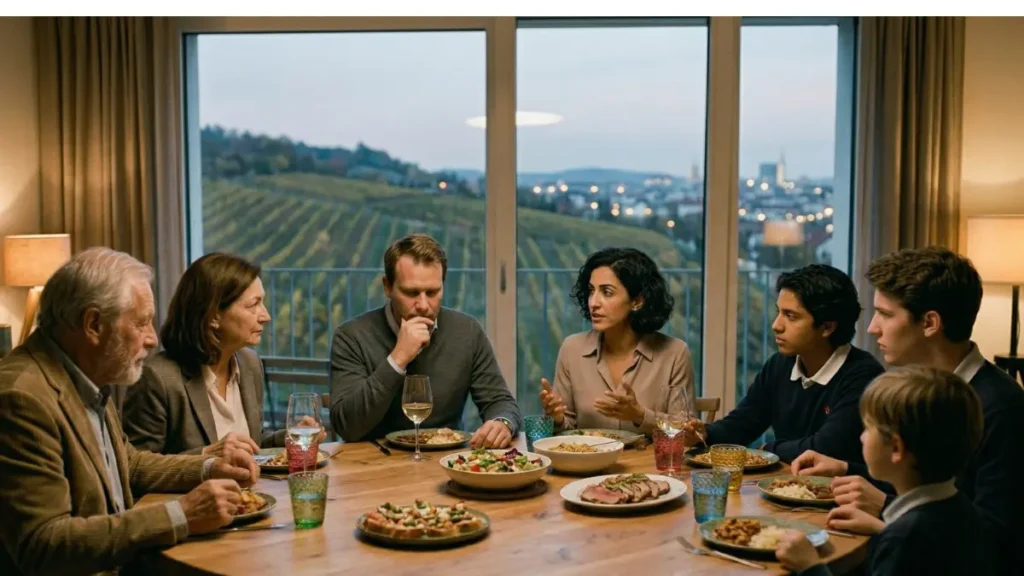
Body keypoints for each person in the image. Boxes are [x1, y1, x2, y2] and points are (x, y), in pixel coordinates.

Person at [0, 247, 260, 576]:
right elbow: (43, 544)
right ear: (94, 324)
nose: (152, 339)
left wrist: (210, 467)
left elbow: (130, 463)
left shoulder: (84, 375)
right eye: (141, 323)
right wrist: (181, 515)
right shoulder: (21, 398)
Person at [790, 247, 1024, 574]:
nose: (872, 328)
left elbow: (996, 543)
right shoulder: (920, 390)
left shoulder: (1002, 407)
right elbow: (926, 477)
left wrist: (885, 508)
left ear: (929, 323)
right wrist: (846, 468)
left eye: (885, 314)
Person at [776, 366, 993, 575]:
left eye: (868, 428)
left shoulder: (903, 540)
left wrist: (810, 566)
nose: (861, 437)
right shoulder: (963, 509)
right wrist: (884, 528)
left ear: (896, 448)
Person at [329, 234, 521, 448]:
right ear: (387, 287)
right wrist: (398, 358)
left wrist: (502, 423)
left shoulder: (467, 331)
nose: (423, 305)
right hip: (373, 461)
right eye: (411, 293)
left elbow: (500, 402)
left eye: (432, 292)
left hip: (445, 459)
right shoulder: (351, 336)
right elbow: (347, 426)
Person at [681, 264, 884, 464]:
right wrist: (705, 433)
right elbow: (742, 423)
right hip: (788, 481)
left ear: (827, 327)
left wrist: (767, 450)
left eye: (790, 316)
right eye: (778, 312)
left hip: (838, 486)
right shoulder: (780, 365)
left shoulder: (864, 377)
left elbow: (826, 448)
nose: (776, 325)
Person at [122, 253, 318, 457]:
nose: (266, 316)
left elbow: (252, 443)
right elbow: (136, 466)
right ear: (213, 315)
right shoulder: (157, 378)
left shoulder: (250, 363)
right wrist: (207, 455)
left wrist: (290, 437)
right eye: (253, 305)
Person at [537, 247, 695, 435]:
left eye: (607, 292)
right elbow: (567, 429)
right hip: (588, 456)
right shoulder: (572, 349)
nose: (593, 302)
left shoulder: (674, 353)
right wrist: (557, 419)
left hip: (649, 456)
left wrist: (640, 415)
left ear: (637, 301)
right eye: (591, 291)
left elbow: (685, 431)